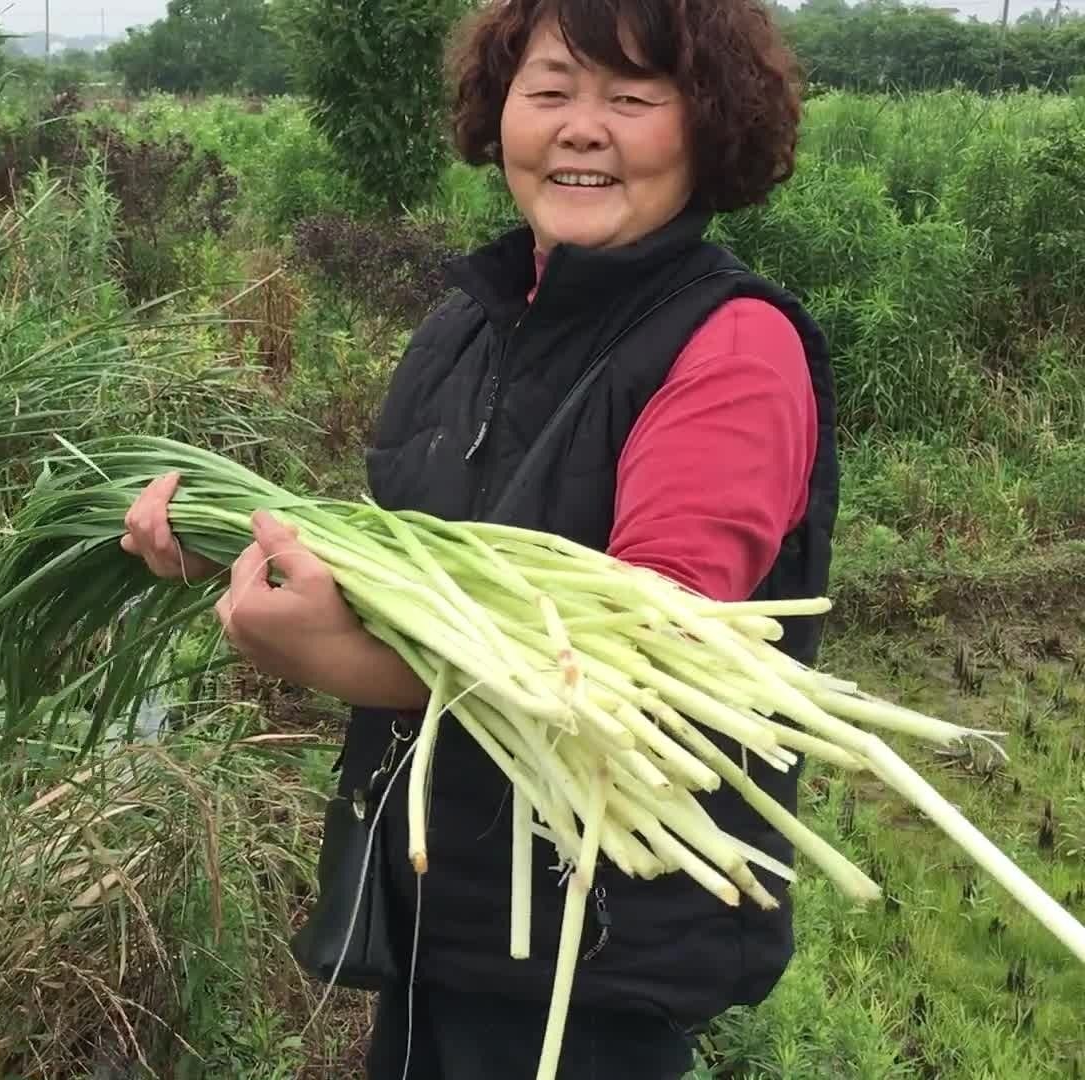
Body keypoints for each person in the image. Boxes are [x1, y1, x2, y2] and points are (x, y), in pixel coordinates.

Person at [121, 0, 838, 1074]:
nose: (581, 127)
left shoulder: (732, 349)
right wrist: (237, 539)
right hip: (437, 910)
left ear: (708, 125)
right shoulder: (471, 320)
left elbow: (640, 675)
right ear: (499, 111)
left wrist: (346, 664)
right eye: (549, 90)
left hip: (589, 955)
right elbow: (411, 564)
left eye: (632, 98)